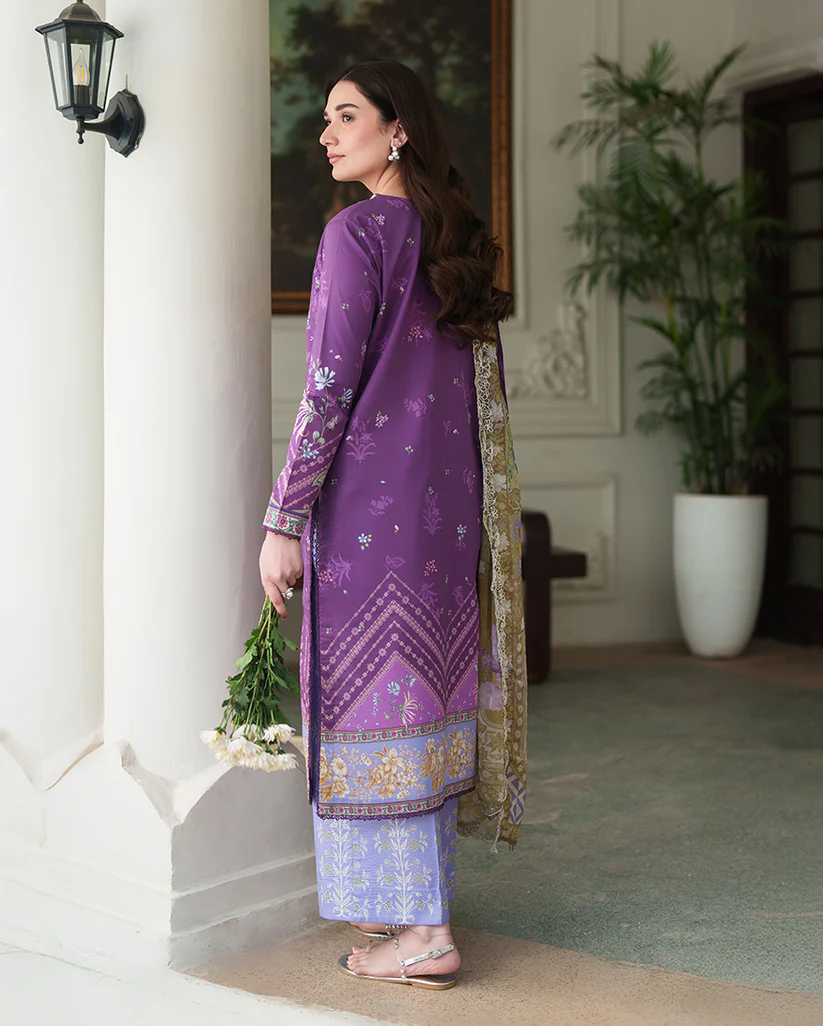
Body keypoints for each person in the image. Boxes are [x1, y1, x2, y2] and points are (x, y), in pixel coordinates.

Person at [259, 59, 527, 991]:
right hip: (446, 524)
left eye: (346, 117)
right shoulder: (454, 243)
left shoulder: (356, 233)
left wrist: (283, 516)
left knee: (376, 705)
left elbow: (326, 390)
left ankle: (422, 934)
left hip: (368, 520)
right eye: (326, 119)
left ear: (397, 128)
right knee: (422, 709)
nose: (327, 135)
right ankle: (413, 915)